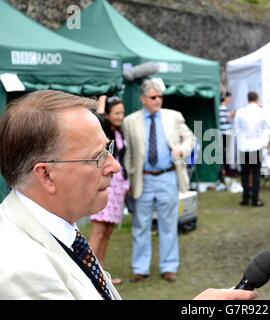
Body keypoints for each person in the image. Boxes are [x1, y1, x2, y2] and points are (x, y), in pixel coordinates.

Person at [0, 90, 256, 300]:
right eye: (97, 157)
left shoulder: (54, 227)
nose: (114, 166)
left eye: (108, 149)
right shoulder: (21, 269)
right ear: (46, 175)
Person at [122, 79, 195, 283]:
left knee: (169, 224)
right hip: (142, 179)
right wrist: (128, 176)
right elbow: (128, 153)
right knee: (140, 225)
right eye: (153, 97)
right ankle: (140, 268)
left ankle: (169, 266)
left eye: (160, 97)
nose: (158, 100)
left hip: (167, 177)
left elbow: (190, 139)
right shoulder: (130, 121)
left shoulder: (174, 116)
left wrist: (182, 150)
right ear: (143, 99)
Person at [88, 96, 129, 286]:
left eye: (122, 113)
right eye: (117, 113)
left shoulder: (119, 132)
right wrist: (102, 101)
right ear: (108, 114)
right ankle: (89, 275)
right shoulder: (102, 131)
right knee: (98, 231)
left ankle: (101, 274)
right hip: (105, 182)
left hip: (118, 186)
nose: (121, 116)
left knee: (108, 232)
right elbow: (97, 119)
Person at [233, 91, 270, 207]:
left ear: (248, 99)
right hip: (257, 146)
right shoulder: (262, 112)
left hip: (244, 146)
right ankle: (255, 199)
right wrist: (265, 140)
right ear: (257, 99)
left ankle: (245, 198)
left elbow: (235, 129)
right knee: (256, 173)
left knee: (245, 173)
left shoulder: (240, 112)